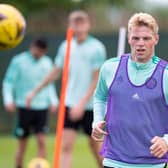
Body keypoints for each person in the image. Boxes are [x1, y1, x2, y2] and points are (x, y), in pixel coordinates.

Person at [26, 10, 106, 168]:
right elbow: (56, 71)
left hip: (91, 106)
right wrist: (35, 91)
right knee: (66, 147)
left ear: (88, 25)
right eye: (75, 22)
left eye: (82, 22)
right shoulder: (66, 46)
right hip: (69, 103)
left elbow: (97, 79)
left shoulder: (96, 47)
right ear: (70, 25)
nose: (78, 26)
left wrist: (81, 104)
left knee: (95, 148)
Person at [92, 12, 168, 168]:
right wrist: (97, 120)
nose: (140, 43)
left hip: (152, 163)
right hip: (114, 160)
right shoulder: (109, 68)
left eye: (146, 38)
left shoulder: (166, 74)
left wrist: (166, 141)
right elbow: (100, 97)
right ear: (129, 39)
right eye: (135, 38)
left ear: (156, 39)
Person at [3, 38, 58, 168]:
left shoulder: (47, 62)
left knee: (42, 141)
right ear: (32, 47)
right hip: (24, 107)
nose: (39, 54)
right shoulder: (18, 61)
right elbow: (9, 82)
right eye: (38, 51)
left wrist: (53, 100)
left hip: (42, 107)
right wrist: (8, 100)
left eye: (42, 52)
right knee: (22, 143)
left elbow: (49, 84)